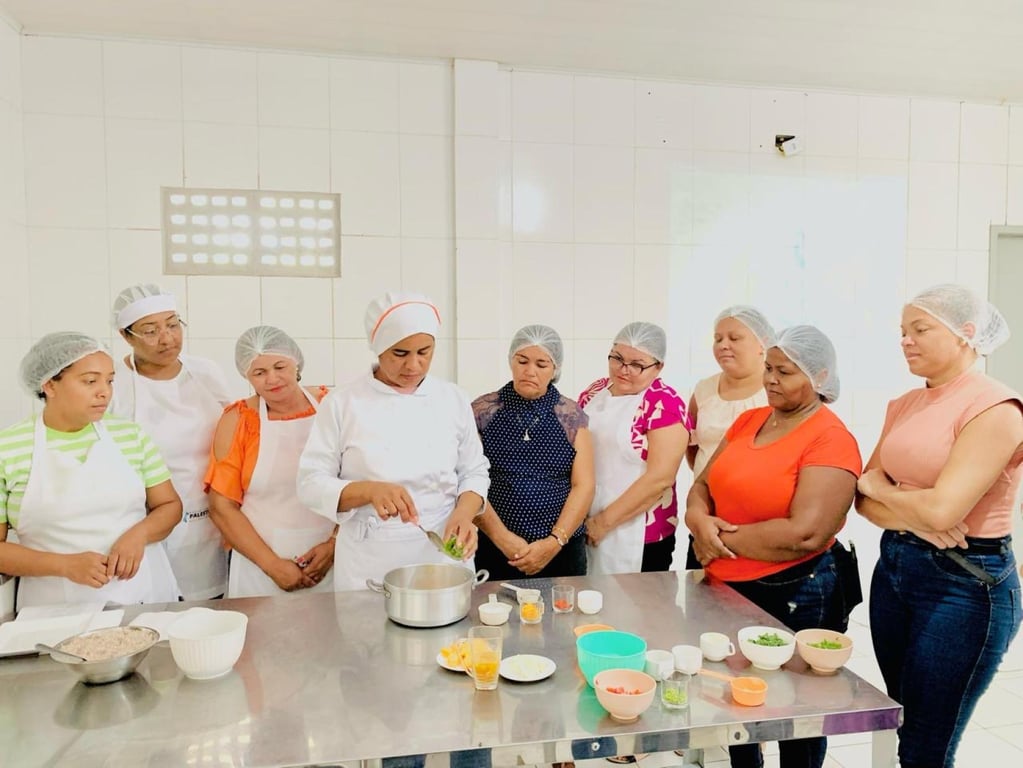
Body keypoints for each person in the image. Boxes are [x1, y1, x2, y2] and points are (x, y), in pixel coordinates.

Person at [855, 284, 1023, 768]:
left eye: (920, 329)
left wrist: (888, 491)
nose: (906, 341)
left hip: (965, 583)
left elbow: (939, 511)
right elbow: (861, 501)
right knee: (901, 716)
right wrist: (914, 510)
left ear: (966, 333)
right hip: (897, 568)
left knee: (928, 743)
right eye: (902, 332)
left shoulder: (996, 408)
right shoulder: (905, 403)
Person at [685, 325, 861, 768]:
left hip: (796, 592)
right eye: (768, 368)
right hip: (726, 589)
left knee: (795, 713)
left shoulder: (830, 438)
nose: (770, 380)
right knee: (739, 702)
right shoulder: (749, 421)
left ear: (819, 376)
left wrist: (716, 539)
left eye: (785, 371)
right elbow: (702, 484)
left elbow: (807, 533)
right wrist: (698, 520)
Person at [297, 291, 490, 591]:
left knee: (450, 637)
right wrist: (367, 490)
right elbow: (309, 483)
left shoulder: (451, 398)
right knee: (369, 636)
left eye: (424, 352)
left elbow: (474, 471)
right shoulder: (343, 402)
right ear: (378, 349)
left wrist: (464, 514)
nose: (413, 365)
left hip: (442, 553)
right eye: (400, 354)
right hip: (371, 559)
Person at [0, 332, 180, 608]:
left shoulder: (130, 435)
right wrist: (65, 565)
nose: (104, 391)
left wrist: (139, 534)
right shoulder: (8, 449)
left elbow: (169, 506)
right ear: (49, 384)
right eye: (90, 381)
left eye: (109, 380)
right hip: (53, 608)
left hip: (142, 598)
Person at [110, 284, 232, 600]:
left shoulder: (205, 372)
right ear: (126, 336)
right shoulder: (114, 384)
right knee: (155, 611)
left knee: (209, 613)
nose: (167, 339)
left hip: (213, 517)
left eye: (173, 325)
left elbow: (234, 435)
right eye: (150, 331)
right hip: (144, 524)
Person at [205, 327, 336, 598]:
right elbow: (222, 507)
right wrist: (273, 566)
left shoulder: (332, 406)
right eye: (259, 373)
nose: (272, 379)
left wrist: (334, 545)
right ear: (246, 376)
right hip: (260, 569)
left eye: (280, 367)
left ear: (296, 363)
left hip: (334, 560)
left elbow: (359, 481)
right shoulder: (237, 421)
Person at [471, 325, 594, 579]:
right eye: (522, 361)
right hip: (496, 547)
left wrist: (554, 541)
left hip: (562, 549)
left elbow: (584, 485)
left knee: (563, 617)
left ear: (555, 369)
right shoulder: (483, 412)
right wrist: (503, 539)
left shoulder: (571, 416)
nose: (530, 371)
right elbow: (469, 480)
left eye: (541, 364)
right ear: (511, 361)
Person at [578, 322, 690, 575]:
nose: (623, 370)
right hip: (588, 522)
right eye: (617, 358)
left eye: (637, 365)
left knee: (636, 610)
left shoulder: (665, 403)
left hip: (641, 533)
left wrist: (603, 523)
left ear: (658, 366)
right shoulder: (594, 392)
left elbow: (659, 478)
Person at [680, 305, 774, 571]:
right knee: (702, 603)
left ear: (762, 343)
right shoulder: (704, 389)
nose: (723, 345)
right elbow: (694, 447)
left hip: (756, 525)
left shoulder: (775, 392)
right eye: (718, 338)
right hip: (705, 516)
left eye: (735, 338)